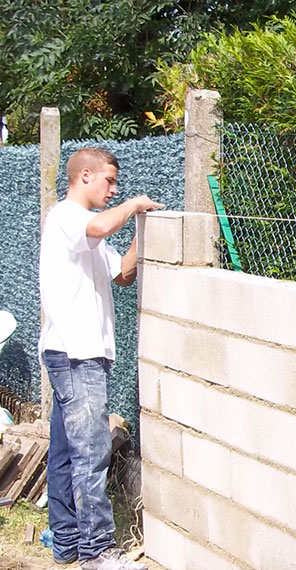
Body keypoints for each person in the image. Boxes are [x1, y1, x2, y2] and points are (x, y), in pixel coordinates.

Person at [39, 147, 163, 570]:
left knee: (64, 453)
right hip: (77, 353)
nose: (114, 189)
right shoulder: (68, 218)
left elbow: (123, 274)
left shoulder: (89, 231)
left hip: (76, 353)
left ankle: (68, 544)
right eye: (109, 181)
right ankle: (97, 551)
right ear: (85, 175)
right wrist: (132, 205)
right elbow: (100, 225)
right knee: (91, 454)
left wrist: (141, 232)